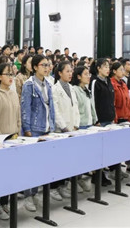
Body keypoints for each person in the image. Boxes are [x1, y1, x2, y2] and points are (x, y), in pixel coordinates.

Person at [21, 54, 55, 212]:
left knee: (42, 164)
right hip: (34, 129)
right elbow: (25, 108)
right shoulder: (29, 85)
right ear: (35, 67)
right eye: (43, 65)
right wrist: (27, 128)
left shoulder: (48, 84)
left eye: (48, 65)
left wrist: (52, 126)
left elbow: (51, 107)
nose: (46, 68)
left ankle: (35, 193)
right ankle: (28, 195)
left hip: (46, 128)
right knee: (31, 165)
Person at [0, 62, 20, 219]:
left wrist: (18, 135)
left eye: (12, 74)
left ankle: (5, 202)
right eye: (7, 74)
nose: (10, 77)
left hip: (13, 140)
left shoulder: (13, 94)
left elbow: (18, 117)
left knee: (9, 174)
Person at [50, 60, 79, 200]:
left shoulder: (72, 88)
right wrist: (64, 127)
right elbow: (55, 110)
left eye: (71, 71)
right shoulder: (55, 89)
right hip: (61, 131)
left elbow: (76, 108)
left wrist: (76, 125)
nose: (70, 73)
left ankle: (63, 185)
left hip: (72, 129)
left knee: (67, 160)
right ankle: (53, 188)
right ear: (60, 73)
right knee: (57, 161)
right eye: (67, 71)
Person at [91, 58, 115, 126]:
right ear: (99, 68)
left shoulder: (109, 81)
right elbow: (93, 102)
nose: (108, 69)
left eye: (108, 67)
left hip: (110, 118)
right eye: (105, 67)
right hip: (101, 120)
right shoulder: (95, 82)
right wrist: (96, 120)